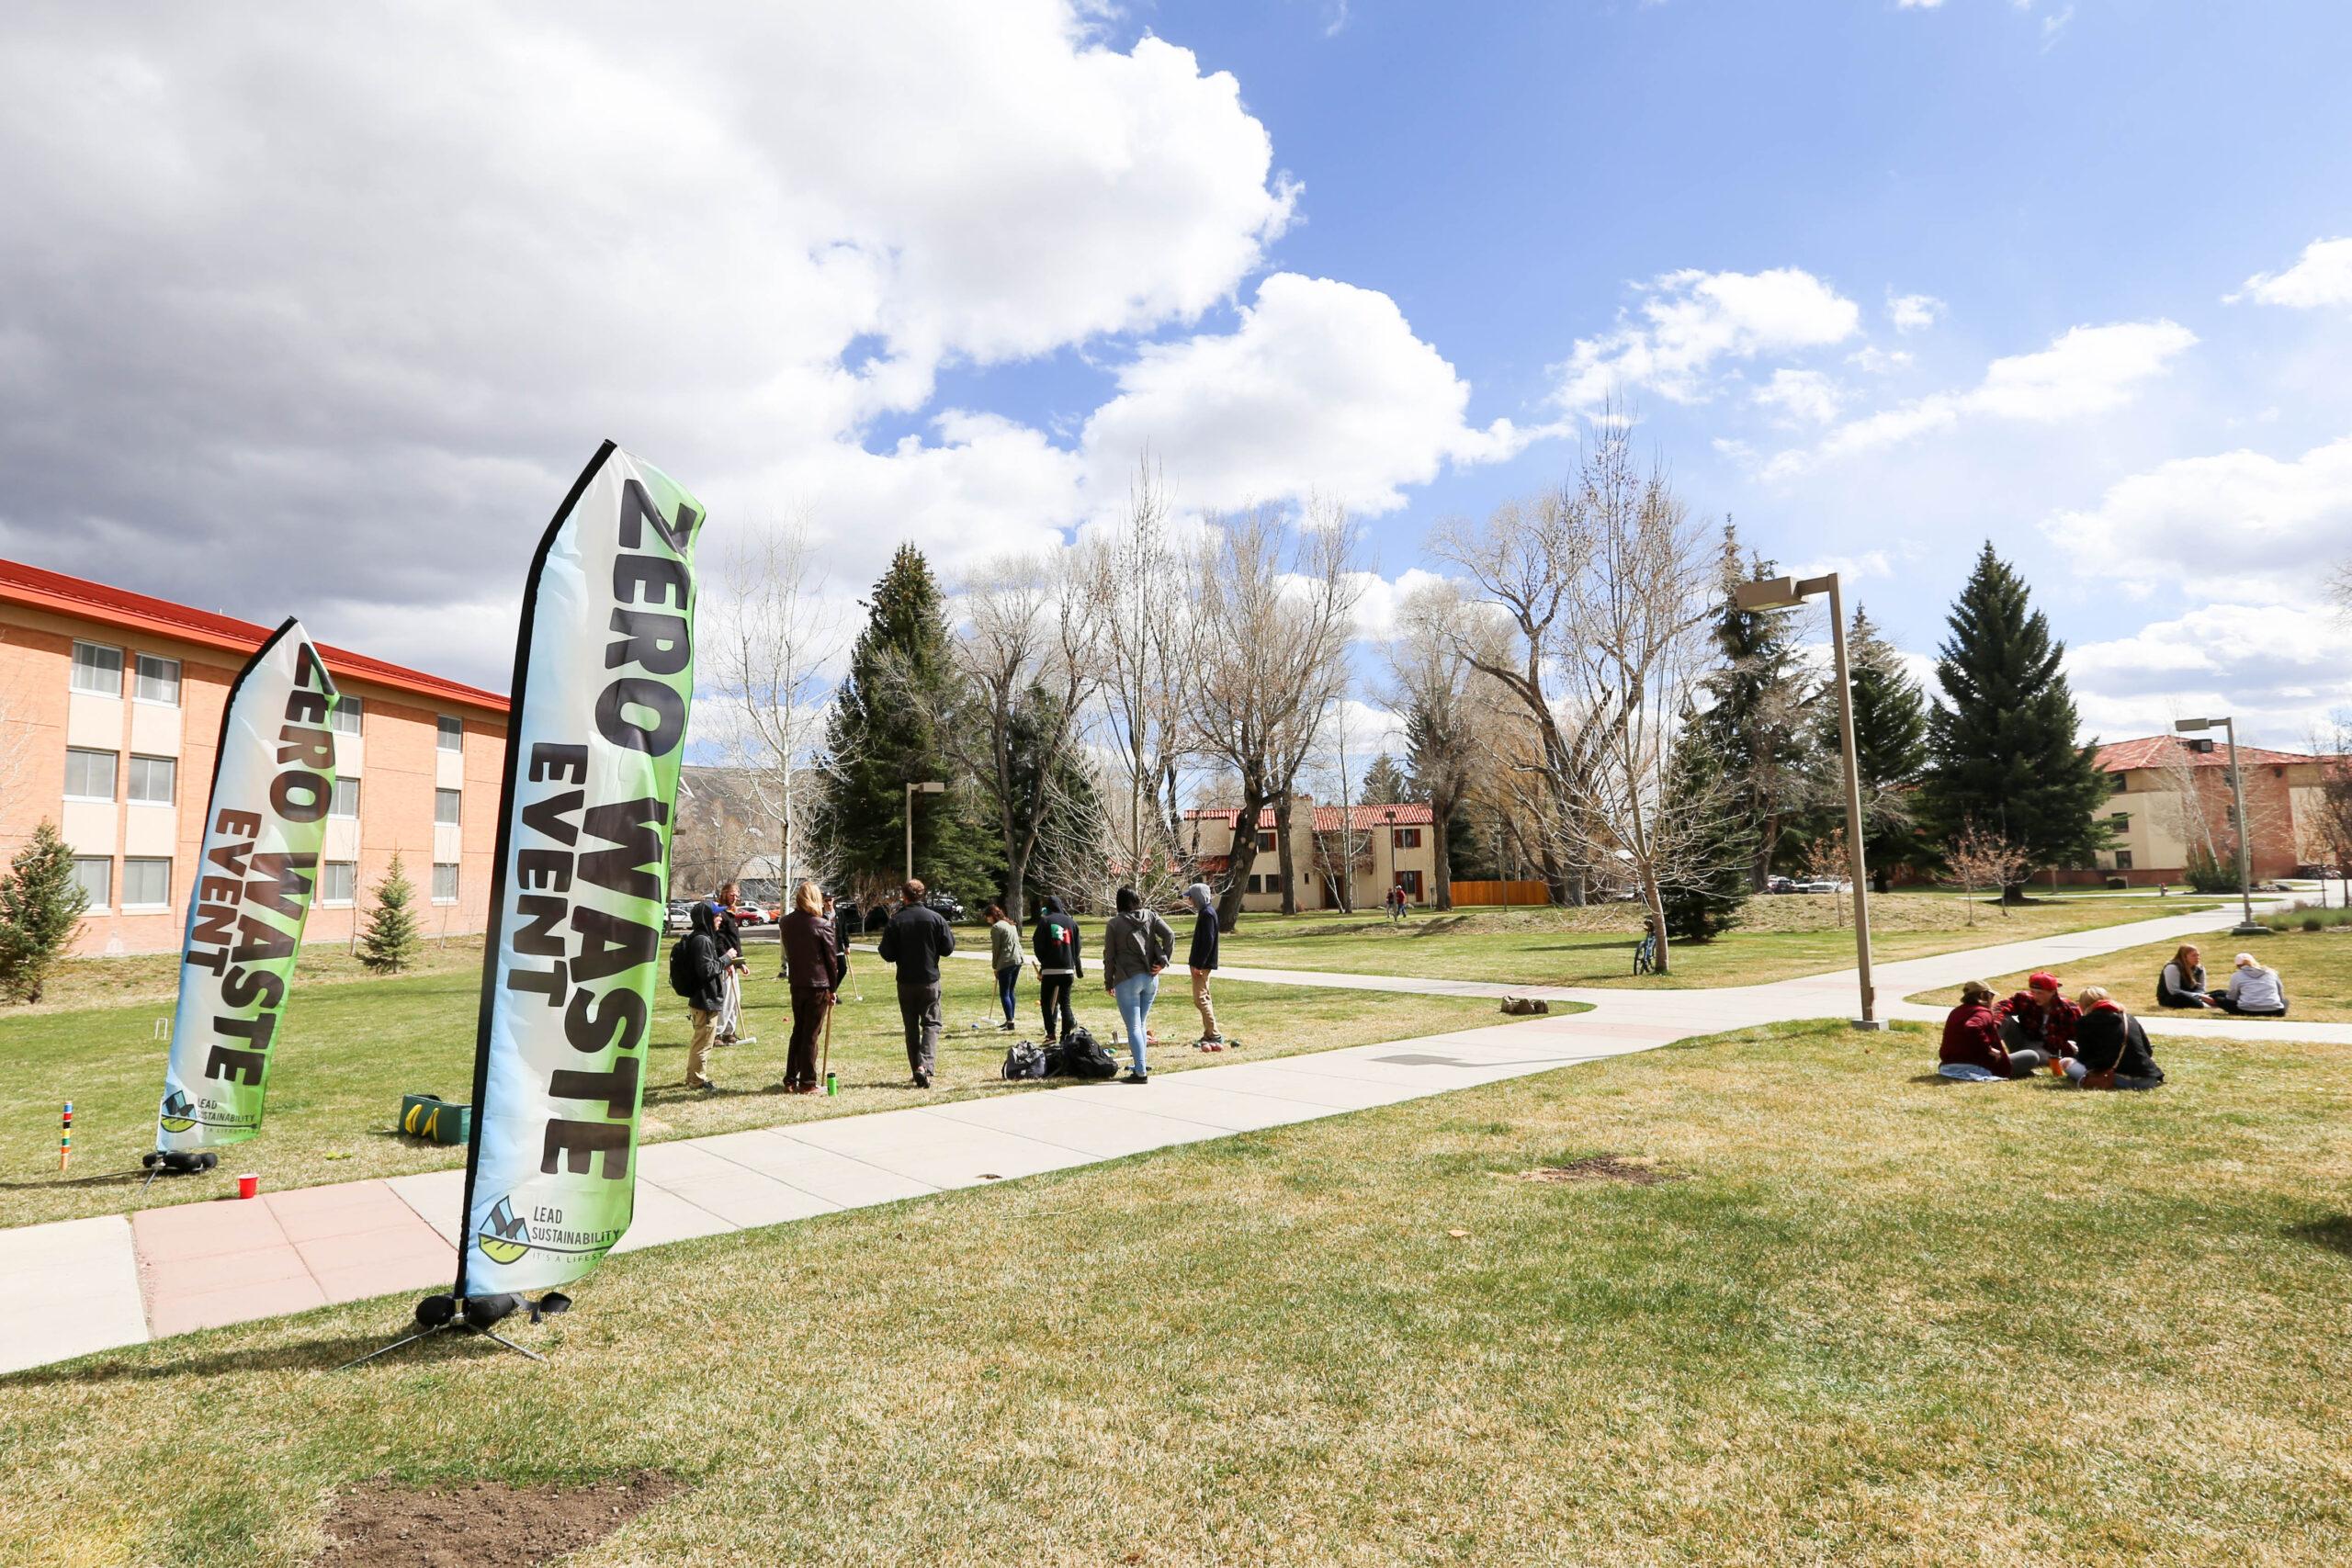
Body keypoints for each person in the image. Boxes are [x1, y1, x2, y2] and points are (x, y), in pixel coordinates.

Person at [876, 877, 956, 1088]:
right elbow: (948, 949)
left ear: (904, 897)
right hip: (929, 979)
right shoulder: (936, 919)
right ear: (923, 895)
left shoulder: (896, 921)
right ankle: (925, 1066)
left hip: (906, 981)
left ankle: (917, 1068)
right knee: (932, 1023)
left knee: (911, 1027)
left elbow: (886, 953)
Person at [776, 881, 844, 1094]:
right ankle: (807, 1082)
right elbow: (831, 961)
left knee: (799, 1030)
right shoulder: (822, 924)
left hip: (797, 983)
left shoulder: (786, 922)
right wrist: (833, 989)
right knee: (811, 1034)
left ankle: (790, 1078)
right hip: (818, 985)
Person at [1102, 886, 1173, 1084]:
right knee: (1141, 1024)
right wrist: (1163, 961)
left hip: (1128, 978)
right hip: (1151, 978)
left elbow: (1109, 956)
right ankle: (1140, 1064)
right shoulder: (1150, 915)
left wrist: (1108, 981)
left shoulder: (1114, 924)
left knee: (1133, 1026)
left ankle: (1140, 1072)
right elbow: (1170, 935)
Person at [668, 902, 729, 1093]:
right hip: (704, 1000)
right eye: (716, 916)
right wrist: (726, 959)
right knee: (703, 1043)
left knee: (700, 1041)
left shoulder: (701, 938)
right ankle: (697, 1080)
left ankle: (692, 1077)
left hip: (702, 999)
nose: (720, 919)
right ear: (706, 918)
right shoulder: (702, 940)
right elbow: (706, 970)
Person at [1938, 980, 2045, 1079]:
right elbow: (1972, 1026)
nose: (1992, 1000)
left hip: (1948, 1065)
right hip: (1978, 1066)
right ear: (1983, 995)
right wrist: (1989, 1048)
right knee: (2031, 1056)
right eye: (1991, 995)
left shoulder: (1956, 1011)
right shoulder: (1982, 1012)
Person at [2063, 987, 2165, 1089]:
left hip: (2115, 1078)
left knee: (2065, 1062)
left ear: (2083, 1005)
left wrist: (2076, 1052)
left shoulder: (2084, 1023)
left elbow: (2085, 1059)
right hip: (2148, 1080)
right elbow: (2148, 1051)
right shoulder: (2128, 1018)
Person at [1181, 881, 1226, 1050]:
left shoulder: (1207, 913)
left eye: (1191, 897)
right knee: (1204, 997)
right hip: (1201, 963)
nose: (1189, 900)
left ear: (1198, 897)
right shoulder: (1205, 912)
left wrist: (1198, 965)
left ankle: (1214, 1034)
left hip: (1202, 964)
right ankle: (1209, 1033)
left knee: (1200, 999)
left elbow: (1208, 941)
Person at [1995, 972, 2078, 1062]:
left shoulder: (2067, 1009)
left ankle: (1998, 1063)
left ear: (2053, 991)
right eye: (2032, 992)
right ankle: (1985, 1051)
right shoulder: (2024, 998)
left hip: (2048, 1050)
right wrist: (1994, 1024)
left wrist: (2070, 1048)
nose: (2035, 996)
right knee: (2004, 1018)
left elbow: (2079, 1035)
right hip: (2024, 1040)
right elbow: (2000, 1007)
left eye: (2040, 993)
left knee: (2034, 1057)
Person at [1033, 897, 1083, 1043]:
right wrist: (1072, 961)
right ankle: (1065, 1035)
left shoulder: (1045, 921)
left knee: (1046, 1003)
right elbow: (1078, 946)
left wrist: (1044, 960)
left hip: (1050, 970)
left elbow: (1037, 943)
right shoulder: (1071, 922)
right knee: (1065, 1003)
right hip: (1067, 970)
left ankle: (1050, 1034)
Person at [986, 903, 1023, 1032]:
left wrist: (995, 966)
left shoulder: (996, 927)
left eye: (987, 917)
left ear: (992, 916)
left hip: (1006, 961)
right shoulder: (1010, 924)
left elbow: (996, 949)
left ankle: (1010, 1022)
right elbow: (1017, 943)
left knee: (1004, 993)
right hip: (1017, 960)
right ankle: (1010, 1019)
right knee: (1011, 991)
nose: (987, 920)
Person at [2221, 951, 2289, 1016]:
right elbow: (2280, 991)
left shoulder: (2236, 975)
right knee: (2286, 1001)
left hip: (2246, 1010)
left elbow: (2233, 996)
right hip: (2276, 1010)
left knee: (2222, 999)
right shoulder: (2271, 972)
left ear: (2237, 965)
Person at [2156, 944, 2215, 1010]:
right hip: (2173, 997)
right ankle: (2209, 1006)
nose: (2197, 957)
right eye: (2193, 955)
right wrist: (2200, 996)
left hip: (2194, 995)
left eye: (2198, 955)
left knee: (2220, 992)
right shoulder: (2173, 967)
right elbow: (2174, 991)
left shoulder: (2200, 968)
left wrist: (2201, 995)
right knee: (2185, 998)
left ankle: (2215, 1003)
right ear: (2184, 957)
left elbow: (2201, 989)